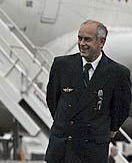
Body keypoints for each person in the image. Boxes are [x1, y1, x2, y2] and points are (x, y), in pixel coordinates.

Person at [45, 20, 131, 163]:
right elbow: (52, 100)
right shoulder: (62, 65)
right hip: (62, 149)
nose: (82, 43)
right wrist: (65, 124)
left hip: (92, 151)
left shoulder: (118, 73)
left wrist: (102, 131)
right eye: (80, 38)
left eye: (87, 39)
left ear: (101, 42)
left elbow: (121, 109)